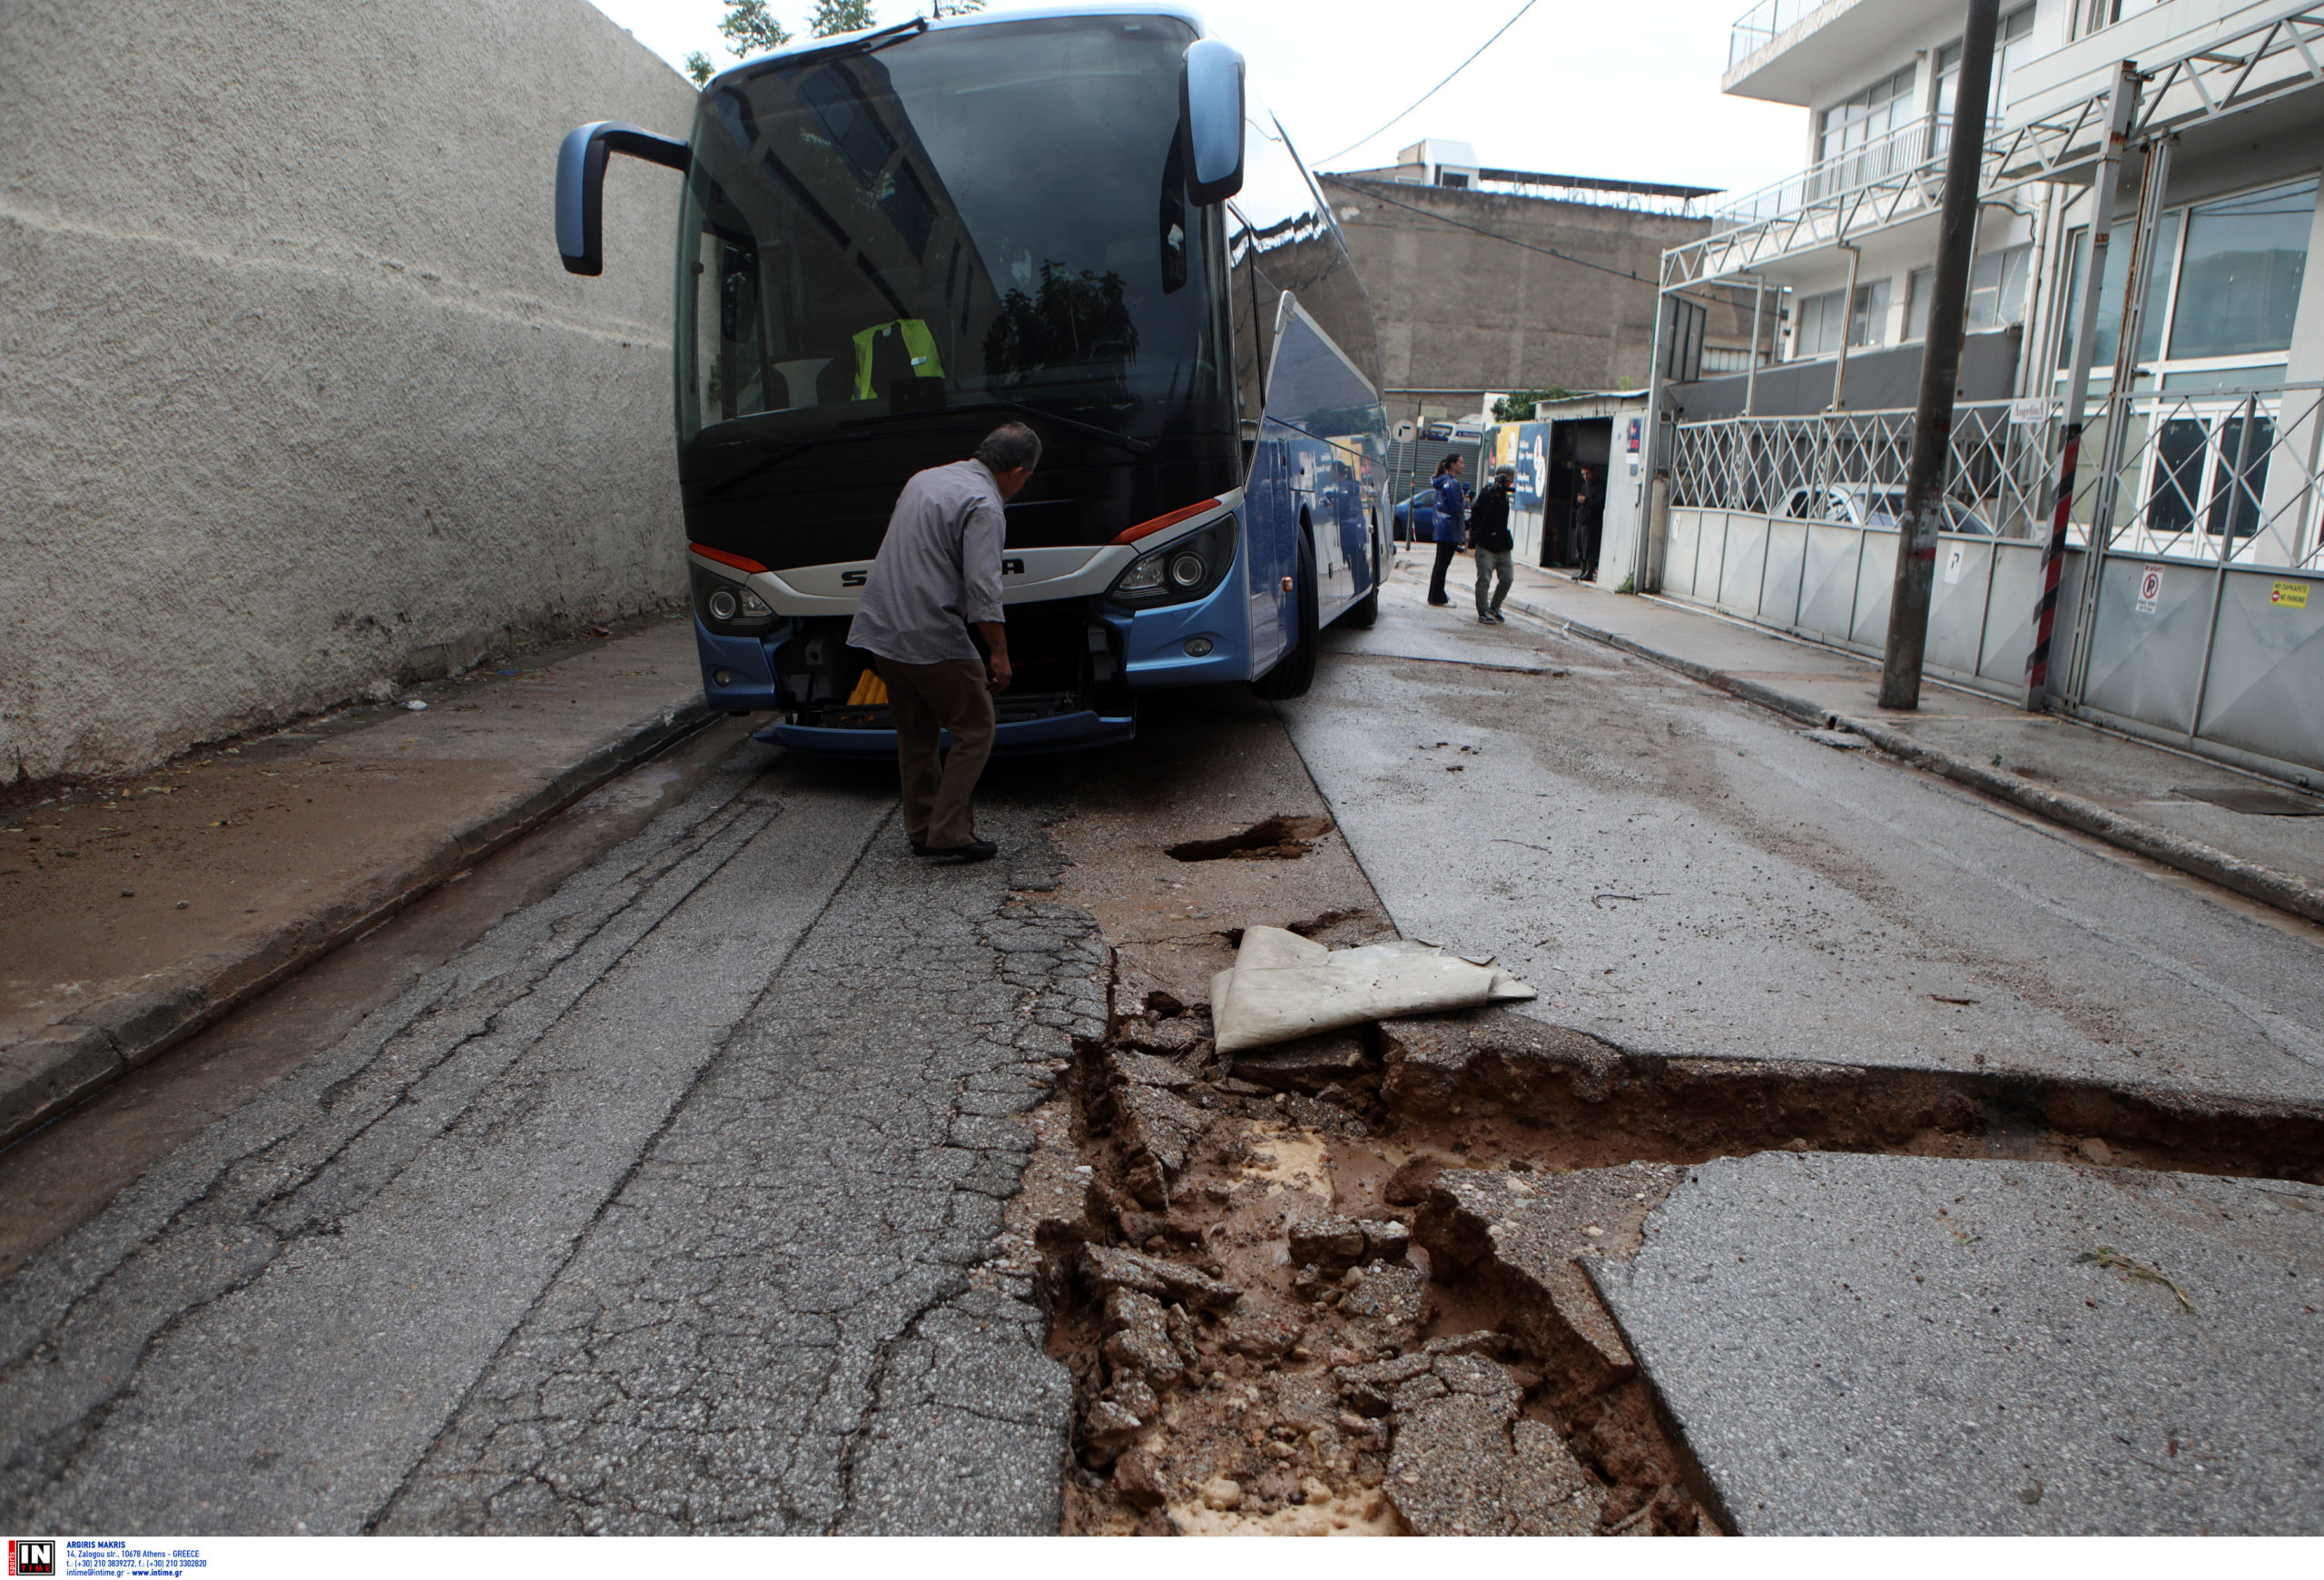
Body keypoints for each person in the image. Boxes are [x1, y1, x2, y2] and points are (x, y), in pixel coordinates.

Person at [847, 422, 1040, 864]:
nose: (1022, 487)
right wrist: (999, 653)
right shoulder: (986, 504)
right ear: (1014, 470)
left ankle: (921, 828)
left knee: (916, 733)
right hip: (928, 632)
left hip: (882, 626)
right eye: (1026, 478)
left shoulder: (926, 478)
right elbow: (983, 587)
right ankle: (949, 833)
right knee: (976, 726)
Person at [1468, 465, 1516, 624]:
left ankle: (1495, 606)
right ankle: (1483, 610)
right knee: (1484, 579)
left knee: (1508, 578)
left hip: (1502, 544)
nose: (1511, 482)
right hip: (1486, 544)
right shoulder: (1487, 493)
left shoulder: (1504, 495)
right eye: (1509, 478)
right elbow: (1477, 515)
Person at [1425, 454, 1469, 607]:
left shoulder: (1442, 482)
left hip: (1442, 527)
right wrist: (1465, 501)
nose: (1463, 465)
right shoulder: (1452, 483)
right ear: (1453, 464)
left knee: (1440, 563)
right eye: (1461, 463)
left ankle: (1436, 594)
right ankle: (1438, 596)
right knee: (1443, 564)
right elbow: (1456, 508)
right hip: (1449, 528)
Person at [1573, 465, 1607, 583]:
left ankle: (1589, 572)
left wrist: (1586, 501)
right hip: (1581, 519)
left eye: (1587, 474)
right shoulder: (1585, 486)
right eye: (1583, 474)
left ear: (1593, 472)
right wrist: (1580, 500)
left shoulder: (1600, 486)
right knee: (1580, 547)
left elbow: (1599, 503)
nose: (1586, 477)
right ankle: (1582, 571)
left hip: (1592, 521)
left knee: (1589, 548)